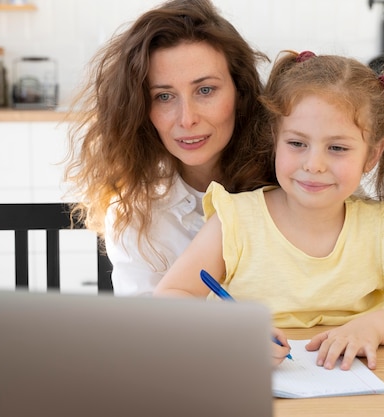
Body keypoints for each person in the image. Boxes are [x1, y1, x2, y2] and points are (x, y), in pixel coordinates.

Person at [154, 51, 384, 370]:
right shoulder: (235, 221)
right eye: (297, 144)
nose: (314, 165)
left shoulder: (382, 231)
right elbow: (170, 296)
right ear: (275, 139)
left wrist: (374, 328)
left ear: (372, 155)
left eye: (337, 148)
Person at [64, 0, 275, 296]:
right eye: (164, 96)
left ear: (241, 92)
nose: (187, 119)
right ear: (140, 107)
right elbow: (148, 330)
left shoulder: (296, 179)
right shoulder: (134, 212)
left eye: (205, 90)